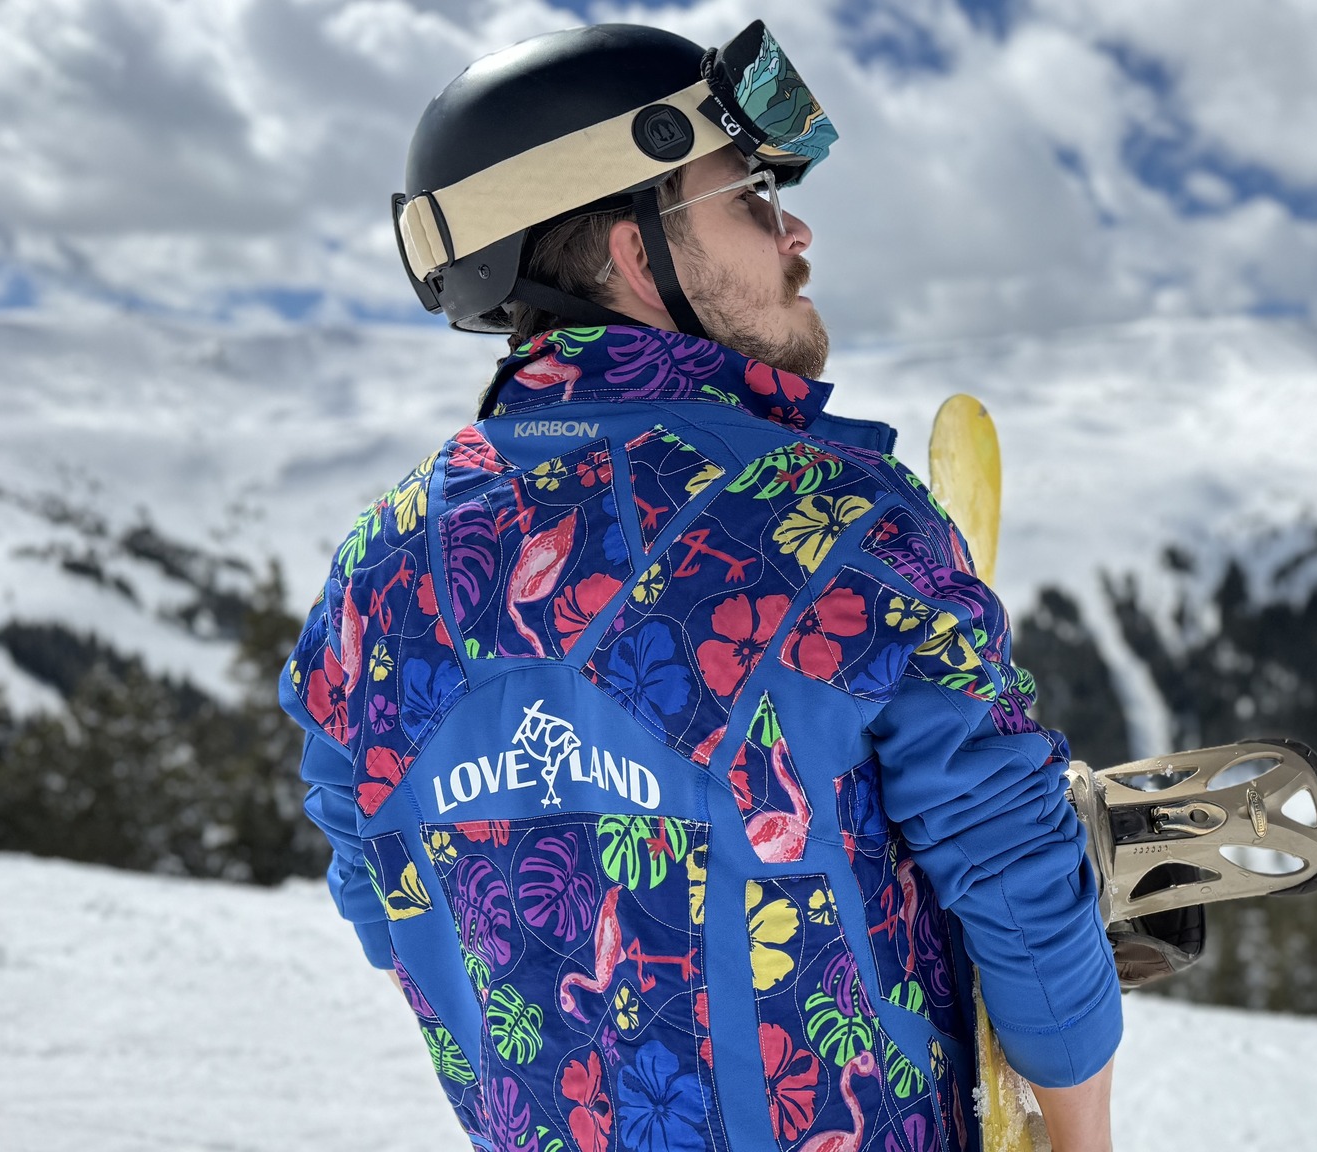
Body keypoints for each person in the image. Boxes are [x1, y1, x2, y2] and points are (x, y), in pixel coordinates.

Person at [277, 21, 1119, 1152]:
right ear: (635, 250)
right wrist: (1077, 1133)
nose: (796, 231)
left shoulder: (376, 566)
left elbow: (374, 868)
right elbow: (1008, 862)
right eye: (750, 199)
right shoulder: (843, 522)